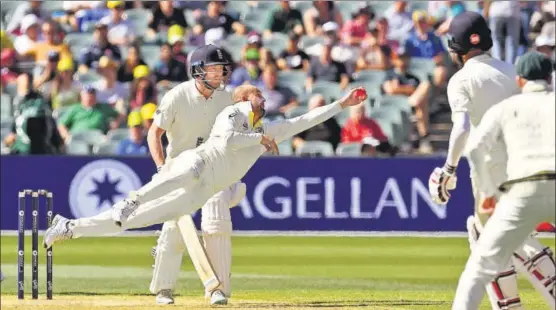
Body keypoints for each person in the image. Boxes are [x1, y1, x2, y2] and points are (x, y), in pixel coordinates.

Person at [43, 84, 367, 303]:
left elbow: (305, 119)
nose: (264, 101)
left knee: (128, 223)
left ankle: (69, 227)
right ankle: (133, 198)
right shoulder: (232, 113)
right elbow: (228, 142)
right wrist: (259, 140)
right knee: (160, 185)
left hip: (203, 191)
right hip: (197, 165)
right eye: (258, 97)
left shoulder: (266, 130)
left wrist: (342, 104)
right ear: (244, 99)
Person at [49, 44, 241, 306]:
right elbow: (154, 133)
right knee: (150, 224)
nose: (220, 74)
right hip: (177, 172)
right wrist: (163, 169)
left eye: (222, 69)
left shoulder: (225, 99)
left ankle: (216, 288)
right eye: (214, 69)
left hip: (210, 172)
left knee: (215, 219)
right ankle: (71, 228)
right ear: (197, 71)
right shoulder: (177, 96)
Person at [428, 12, 555, 310]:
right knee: (487, 234)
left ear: (456, 46)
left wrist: (448, 169)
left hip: (491, 171)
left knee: (488, 238)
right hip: (526, 165)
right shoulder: (513, 71)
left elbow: (462, 130)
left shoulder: (461, 79)